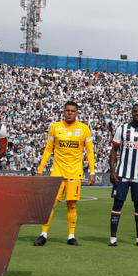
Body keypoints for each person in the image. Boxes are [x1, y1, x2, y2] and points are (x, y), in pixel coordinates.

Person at [33, 101, 96, 247]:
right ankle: (43, 235)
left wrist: (92, 171)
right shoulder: (55, 127)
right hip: (57, 173)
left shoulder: (84, 129)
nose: (69, 113)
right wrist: (40, 170)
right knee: (51, 204)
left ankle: (71, 237)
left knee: (72, 205)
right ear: (63, 112)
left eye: (72, 111)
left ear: (77, 113)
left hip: (74, 173)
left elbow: (90, 151)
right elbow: (48, 149)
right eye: (67, 110)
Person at [108, 104, 138, 247]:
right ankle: (113, 238)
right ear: (131, 113)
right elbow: (114, 150)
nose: (137, 114)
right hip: (122, 174)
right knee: (117, 204)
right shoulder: (122, 129)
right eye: (134, 111)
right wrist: (113, 170)